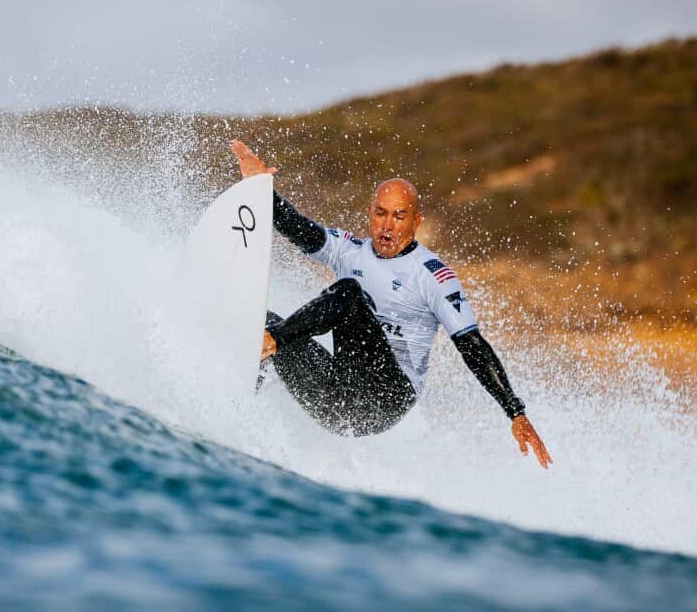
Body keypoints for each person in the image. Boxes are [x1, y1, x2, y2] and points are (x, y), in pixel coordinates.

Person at [231, 140, 553, 469]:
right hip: (333, 397)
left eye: (399, 216)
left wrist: (515, 411)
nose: (387, 225)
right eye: (381, 214)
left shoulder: (433, 276)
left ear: (416, 221)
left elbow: (472, 346)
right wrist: (261, 190)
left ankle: (272, 341)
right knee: (262, 320)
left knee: (347, 294)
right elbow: (301, 229)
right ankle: (236, 415)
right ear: (369, 214)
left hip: (385, 399)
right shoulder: (349, 251)